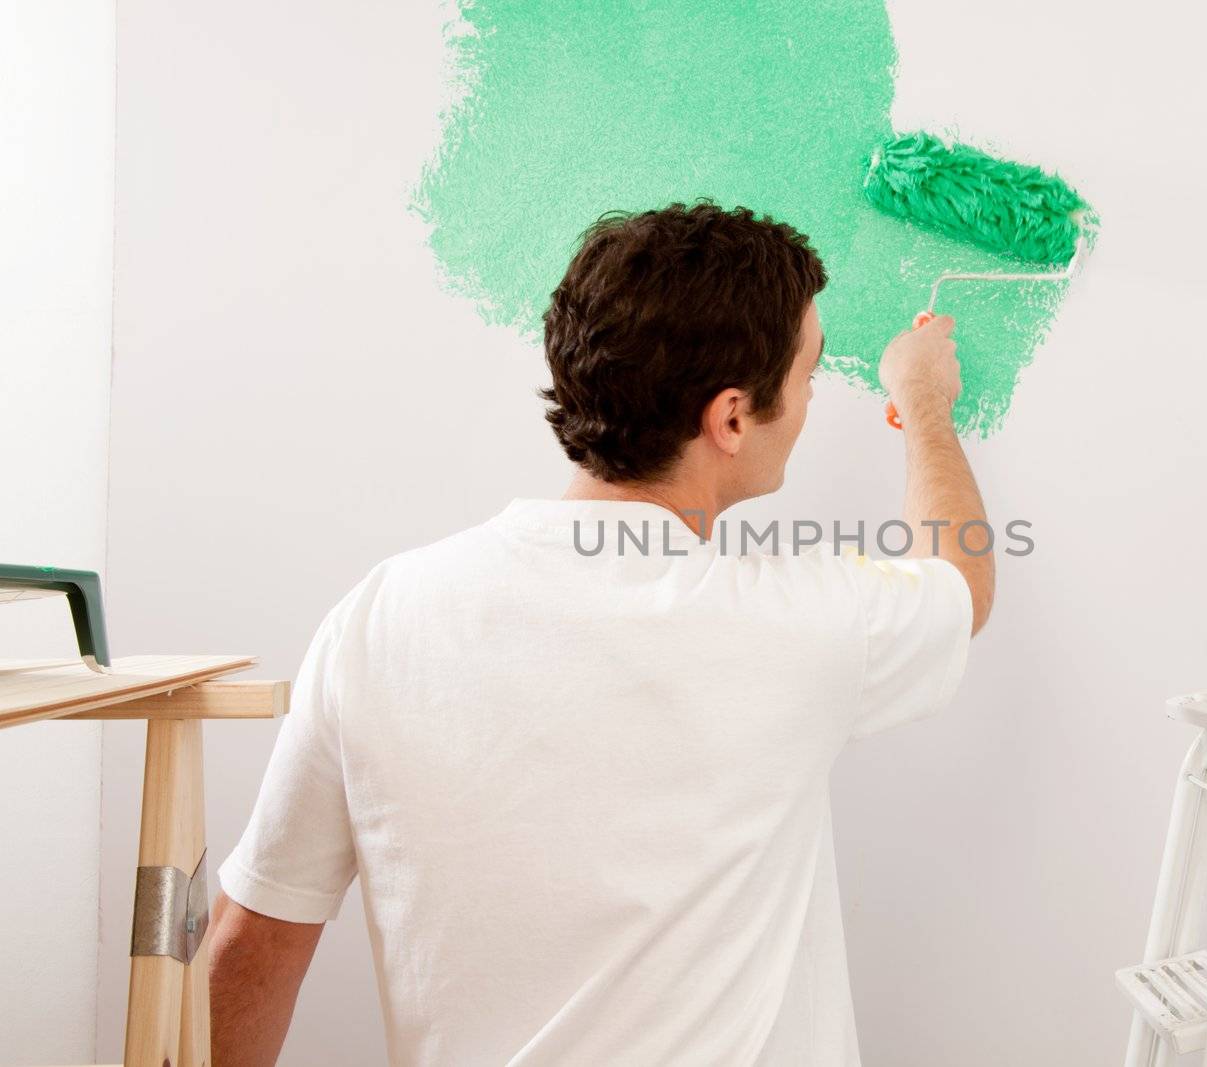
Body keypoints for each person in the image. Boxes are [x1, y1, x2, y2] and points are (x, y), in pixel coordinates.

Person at [208, 201, 994, 1066]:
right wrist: (925, 404)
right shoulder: (796, 620)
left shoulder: (382, 613)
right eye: (809, 374)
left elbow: (258, 938)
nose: (809, 398)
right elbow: (959, 579)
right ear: (731, 417)